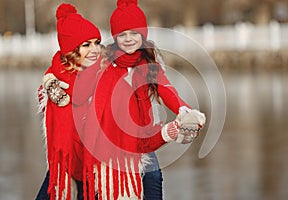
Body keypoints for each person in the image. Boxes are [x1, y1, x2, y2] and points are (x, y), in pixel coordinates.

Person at [71, 0, 206, 199]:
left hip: (140, 138)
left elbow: (166, 89)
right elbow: (73, 73)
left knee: (152, 178)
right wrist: (53, 86)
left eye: (134, 33)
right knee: (96, 187)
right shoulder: (103, 62)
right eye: (122, 34)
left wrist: (183, 109)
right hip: (106, 139)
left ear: (143, 35)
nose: (128, 39)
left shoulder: (149, 64)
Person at [36, 3, 103, 200]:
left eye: (96, 42)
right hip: (65, 168)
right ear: (72, 50)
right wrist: (47, 87)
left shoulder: (106, 75)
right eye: (86, 45)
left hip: (97, 168)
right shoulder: (54, 80)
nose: (95, 49)